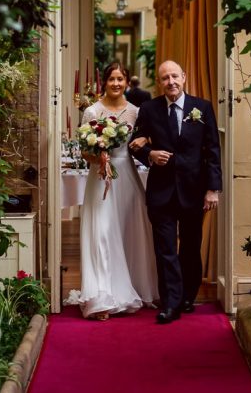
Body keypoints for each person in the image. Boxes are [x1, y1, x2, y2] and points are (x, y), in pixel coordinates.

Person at [129, 60, 221, 324]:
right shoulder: (149, 109)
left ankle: (187, 297)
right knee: (165, 249)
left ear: (184, 77)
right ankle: (170, 303)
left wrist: (213, 189)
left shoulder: (202, 108)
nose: (171, 82)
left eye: (175, 76)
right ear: (159, 83)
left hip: (194, 190)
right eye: (165, 78)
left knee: (191, 248)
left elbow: (213, 150)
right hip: (161, 192)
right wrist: (150, 154)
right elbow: (133, 144)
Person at [75, 62, 158, 320]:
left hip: (127, 179)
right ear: (105, 82)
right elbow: (84, 152)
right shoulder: (92, 111)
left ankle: (137, 287)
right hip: (100, 179)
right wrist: (99, 156)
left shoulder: (136, 112)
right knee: (101, 233)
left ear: (126, 81)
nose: (116, 83)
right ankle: (102, 296)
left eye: (120, 79)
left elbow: (145, 140)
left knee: (129, 231)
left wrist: (146, 140)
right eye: (111, 79)